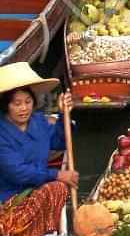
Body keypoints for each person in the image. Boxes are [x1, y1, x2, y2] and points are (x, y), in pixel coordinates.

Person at [0, 64, 75, 203]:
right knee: (56, 188)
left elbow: (60, 141)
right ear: (6, 106)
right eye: (17, 104)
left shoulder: (38, 121)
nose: (24, 108)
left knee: (58, 189)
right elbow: (17, 172)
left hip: (37, 188)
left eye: (28, 102)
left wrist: (63, 115)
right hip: (8, 198)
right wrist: (56, 174)